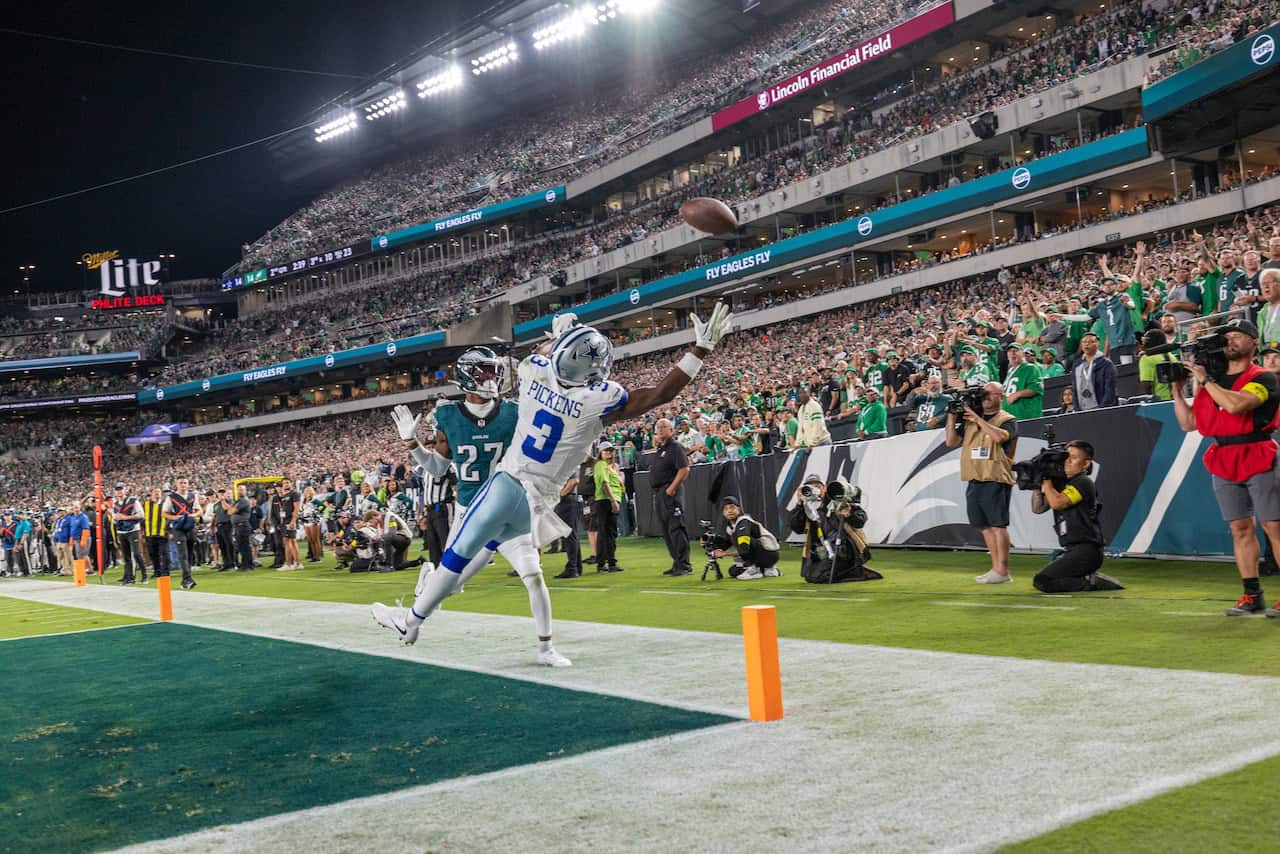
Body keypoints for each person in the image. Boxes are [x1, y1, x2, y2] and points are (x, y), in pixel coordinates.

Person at [372, 303, 733, 651]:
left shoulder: (533, 373)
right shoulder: (597, 401)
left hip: (507, 484)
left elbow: (545, 353)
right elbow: (659, 394)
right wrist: (700, 349)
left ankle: (413, 618)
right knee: (483, 569)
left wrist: (564, 334)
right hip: (538, 502)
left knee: (456, 560)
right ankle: (438, 612)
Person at [388, 345, 570, 667]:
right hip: (470, 510)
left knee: (533, 574)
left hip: (510, 507)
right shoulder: (448, 415)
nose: (492, 378)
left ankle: (546, 648)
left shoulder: (513, 412)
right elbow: (438, 469)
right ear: (467, 377)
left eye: (494, 371)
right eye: (484, 372)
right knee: (453, 585)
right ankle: (428, 585)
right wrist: (411, 444)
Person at [1169, 317, 1280, 617]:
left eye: (1237, 335)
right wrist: (1178, 392)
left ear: (1253, 343)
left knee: (1274, 526)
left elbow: (1236, 406)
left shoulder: (1264, 377)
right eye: (1226, 335)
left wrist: (1205, 380)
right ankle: (1251, 595)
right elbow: (1188, 423)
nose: (1230, 340)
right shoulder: (1211, 381)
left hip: (1258, 451)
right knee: (1240, 529)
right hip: (1223, 455)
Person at [945, 381, 1018, 584]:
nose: (985, 396)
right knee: (984, 526)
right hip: (974, 477)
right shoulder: (969, 420)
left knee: (998, 525)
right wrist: (951, 417)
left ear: (1000, 397)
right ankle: (995, 569)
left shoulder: (1007, 419)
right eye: (983, 393)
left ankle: (1003, 571)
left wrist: (977, 418)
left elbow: (997, 437)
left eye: (990, 393)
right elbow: (951, 442)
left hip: (995, 477)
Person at [1031, 441, 1123, 592]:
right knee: (1049, 576)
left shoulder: (1083, 482)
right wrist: (1037, 484)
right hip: (1072, 549)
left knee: (1042, 581)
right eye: (1066, 457)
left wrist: (1047, 480)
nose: (1067, 461)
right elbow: (1038, 508)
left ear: (1086, 463)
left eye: (1073, 458)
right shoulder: (1062, 484)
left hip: (1087, 550)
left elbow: (1058, 503)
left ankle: (1091, 582)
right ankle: (1086, 576)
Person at [788, 476, 880, 583]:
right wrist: (799, 504)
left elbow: (860, 520)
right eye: (810, 486)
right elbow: (797, 528)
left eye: (817, 486)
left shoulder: (836, 498)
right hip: (821, 549)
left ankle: (857, 572)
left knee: (819, 576)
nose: (814, 489)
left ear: (824, 488)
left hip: (844, 548)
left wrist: (849, 514)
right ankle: (850, 570)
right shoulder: (807, 506)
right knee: (809, 576)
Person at [650, 418, 693, 577]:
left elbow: (684, 469)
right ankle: (677, 562)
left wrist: (671, 489)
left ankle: (684, 564)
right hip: (660, 493)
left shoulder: (675, 447)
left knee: (676, 527)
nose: (660, 430)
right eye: (658, 427)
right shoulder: (661, 449)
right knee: (667, 530)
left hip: (670, 492)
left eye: (664, 427)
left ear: (671, 430)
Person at [706, 496, 780, 580]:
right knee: (734, 571)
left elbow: (744, 548)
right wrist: (710, 544)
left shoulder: (743, 521)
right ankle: (768, 569)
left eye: (732, 507)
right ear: (723, 513)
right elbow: (725, 544)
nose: (729, 511)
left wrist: (725, 553)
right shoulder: (730, 527)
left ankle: (754, 571)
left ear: (739, 509)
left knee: (743, 540)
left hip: (768, 554)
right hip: (764, 556)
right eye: (726, 509)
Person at [593, 442, 625, 572]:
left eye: (611, 451)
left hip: (610, 500)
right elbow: (604, 484)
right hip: (605, 501)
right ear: (600, 453)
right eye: (606, 451)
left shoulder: (610, 467)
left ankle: (610, 562)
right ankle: (602, 563)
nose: (609, 453)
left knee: (610, 533)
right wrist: (613, 501)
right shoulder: (601, 465)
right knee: (605, 532)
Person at [163, 477, 198, 589]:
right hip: (178, 527)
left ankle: (186, 578)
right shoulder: (171, 497)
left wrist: (194, 515)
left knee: (190, 552)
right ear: (176, 484)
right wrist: (175, 517)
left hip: (190, 526)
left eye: (185, 482)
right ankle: (187, 578)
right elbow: (164, 513)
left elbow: (199, 510)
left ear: (188, 484)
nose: (183, 484)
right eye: (181, 483)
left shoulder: (192, 496)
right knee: (183, 553)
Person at [1071, 333, 1118, 410]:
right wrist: (1077, 409)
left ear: (1097, 344)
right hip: (1082, 410)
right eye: (1084, 342)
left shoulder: (1106, 363)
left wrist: (1103, 409)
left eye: (1090, 342)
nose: (1086, 344)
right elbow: (1075, 389)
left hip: (1101, 409)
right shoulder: (1077, 365)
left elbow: (1110, 389)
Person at [112, 483, 146, 583]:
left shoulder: (133, 501)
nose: (119, 491)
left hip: (133, 529)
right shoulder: (116, 504)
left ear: (125, 490)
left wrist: (126, 517)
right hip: (121, 530)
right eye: (117, 489)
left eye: (121, 489)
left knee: (136, 553)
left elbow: (141, 515)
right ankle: (129, 577)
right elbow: (115, 518)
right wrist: (116, 518)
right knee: (126, 555)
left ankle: (144, 575)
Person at [552, 472, 582, 578]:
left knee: (569, 535)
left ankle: (572, 568)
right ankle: (576, 567)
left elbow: (574, 481)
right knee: (572, 535)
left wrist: (561, 494)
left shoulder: (569, 463)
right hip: (569, 500)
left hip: (567, 500)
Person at [1002, 343, 1043, 419]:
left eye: (1016, 350)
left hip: (1025, 416)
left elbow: (1036, 388)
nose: (1013, 353)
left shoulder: (1030, 368)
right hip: (1010, 417)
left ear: (1023, 354)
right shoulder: (1010, 371)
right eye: (1010, 351)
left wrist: (1017, 394)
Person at [142, 487, 170, 584]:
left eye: (159, 492)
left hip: (163, 533)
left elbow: (170, 518)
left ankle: (165, 572)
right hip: (150, 534)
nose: (157, 494)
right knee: (153, 554)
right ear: (151, 494)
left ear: (161, 494)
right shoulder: (145, 505)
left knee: (164, 554)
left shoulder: (165, 504)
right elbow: (142, 519)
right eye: (155, 492)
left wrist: (170, 531)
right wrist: (143, 532)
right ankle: (157, 571)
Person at [229, 484, 256, 571]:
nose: (240, 491)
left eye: (242, 489)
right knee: (241, 546)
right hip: (238, 526)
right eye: (239, 489)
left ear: (245, 491)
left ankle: (247, 565)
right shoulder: (238, 501)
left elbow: (231, 511)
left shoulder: (243, 501)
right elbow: (230, 511)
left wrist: (231, 510)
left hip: (242, 525)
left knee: (244, 546)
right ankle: (246, 564)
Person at [212, 487, 235, 572]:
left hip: (227, 525)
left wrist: (223, 500)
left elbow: (227, 509)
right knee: (222, 546)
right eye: (220, 493)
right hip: (219, 526)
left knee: (229, 545)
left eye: (223, 493)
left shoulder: (230, 501)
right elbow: (214, 517)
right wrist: (212, 527)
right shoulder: (216, 505)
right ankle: (226, 564)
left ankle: (232, 564)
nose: (221, 494)